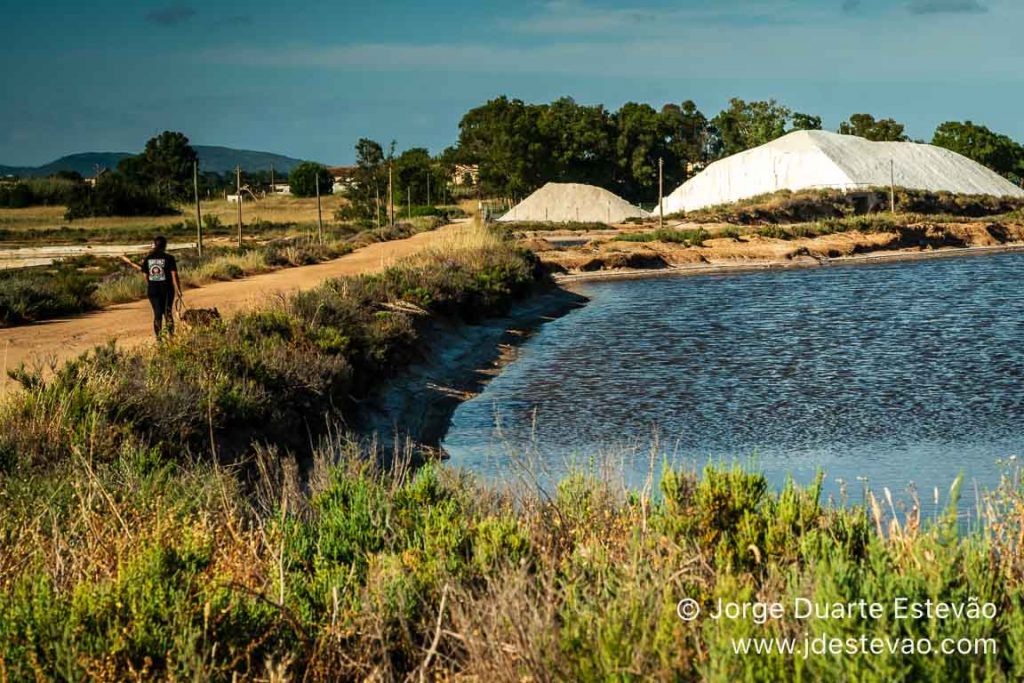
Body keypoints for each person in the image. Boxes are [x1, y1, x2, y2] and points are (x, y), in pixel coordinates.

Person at [120, 236, 183, 338]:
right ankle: (171, 337)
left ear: (154, 244)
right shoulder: (169, 258)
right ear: (165, 245)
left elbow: (145, 275)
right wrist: (178, 289)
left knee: (157, 314)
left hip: (153, 290)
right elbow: (174, 274)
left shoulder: (148, 258)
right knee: (167, 313)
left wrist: (152, 284)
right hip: (166, 289)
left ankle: (159, 339)